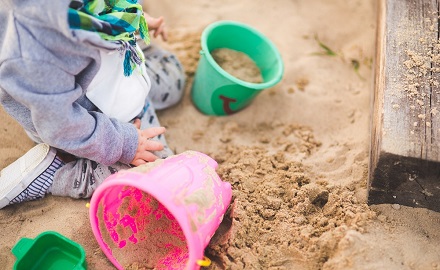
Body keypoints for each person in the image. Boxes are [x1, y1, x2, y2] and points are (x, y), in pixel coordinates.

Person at [0, 0, 186, 209]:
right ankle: (56, 172)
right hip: (93, 124)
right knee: (156, 170)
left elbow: (108, 7)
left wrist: (134, 20)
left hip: (119, 75)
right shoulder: (32, 51)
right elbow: (61, 126)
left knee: (174, 79)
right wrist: (124, 143)